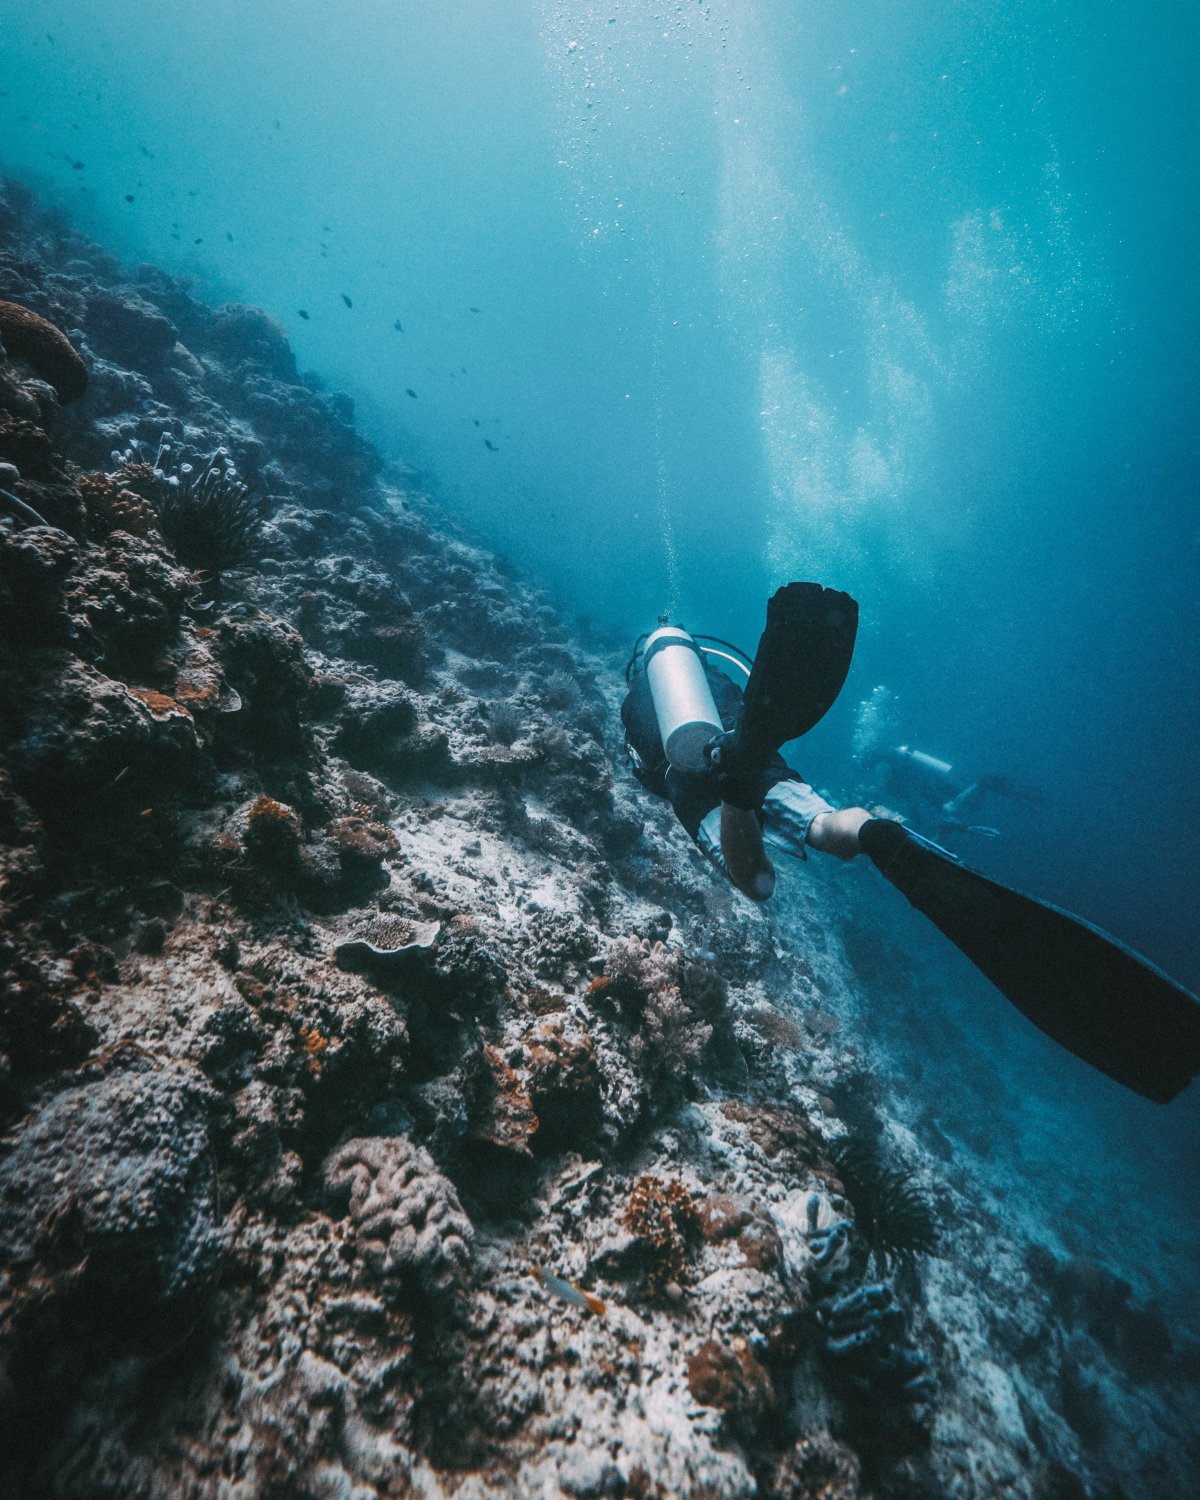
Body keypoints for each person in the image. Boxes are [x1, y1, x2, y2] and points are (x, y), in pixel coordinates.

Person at [621, 582, 1200, 1105]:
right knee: (826, 826)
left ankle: (740, 786)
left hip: (691, 780)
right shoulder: (712, 669)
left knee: (758, 882)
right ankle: (874, 833)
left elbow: (645, 764)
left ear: (639, 665)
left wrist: (711, 777)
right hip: (754, 746)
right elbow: (752, 685)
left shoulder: (636, 700)